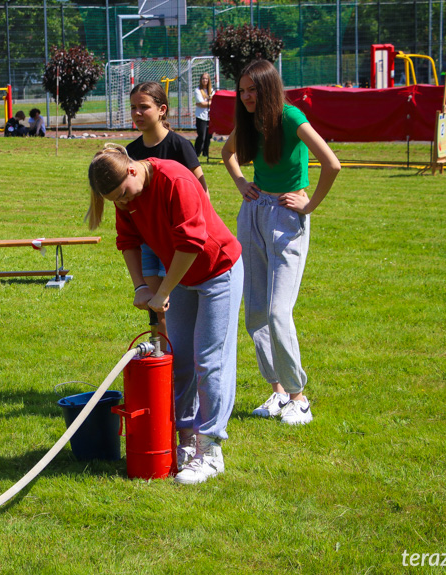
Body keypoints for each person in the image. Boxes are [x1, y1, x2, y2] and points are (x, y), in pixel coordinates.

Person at [87, 145, 243, 485]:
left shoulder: (175, 179)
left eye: (123, 195)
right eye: (115, 200)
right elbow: (128, 240)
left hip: (219, 271)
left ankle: (211, 449)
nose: (123, 204)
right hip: (184, 278)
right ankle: (186, 443)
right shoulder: (125, 196)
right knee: (181, 360)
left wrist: (164, 291)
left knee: (209, 359)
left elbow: (191, 243)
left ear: (131, 170)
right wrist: (140, 287)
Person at [222, 59, 341, 426]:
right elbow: (227, 153)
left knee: (277, 313)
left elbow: (331, 163)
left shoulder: (291, 117)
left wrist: (309, 205)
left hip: (288, 217)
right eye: (241, 91)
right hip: (254, 213)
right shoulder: (250, 120)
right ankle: (277, 392)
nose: (245, 97)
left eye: (252, 89)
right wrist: (241, 183)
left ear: (268, 87)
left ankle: (298, 398)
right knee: (255, 313)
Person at [126, 81, 208, 406]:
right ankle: (164, 369)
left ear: (162, 109)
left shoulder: (179, 146)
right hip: (148, 244)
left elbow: (202, 193)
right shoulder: (131, 152)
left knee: (181, 313)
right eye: (133, 107)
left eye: (143, 107)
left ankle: (183, 373)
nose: (136, 113)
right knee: (157, 309)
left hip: (177, 244)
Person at [194, 72, 214, 158]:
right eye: (203, 78)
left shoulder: (212, 90)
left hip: (210, 116)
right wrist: (210, 102)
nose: (205, 80)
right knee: (201, 135)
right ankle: (196, 152)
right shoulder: (198, 90)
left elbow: (214, 102)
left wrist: (207, 102)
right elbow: (201, 103)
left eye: (206, 78)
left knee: (208, 136)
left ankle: (206, 153)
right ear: (201, 80)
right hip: (200, 116)